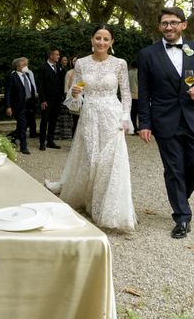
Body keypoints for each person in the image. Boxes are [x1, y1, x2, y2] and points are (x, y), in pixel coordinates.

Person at [45, 25, 137, 231]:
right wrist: (76, 93)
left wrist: (125, 118)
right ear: (92, 40)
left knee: (110, 161)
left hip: (112, 116)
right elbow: (74, 95)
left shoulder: (119, 64)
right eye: (98, 38)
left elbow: (126, 94)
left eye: (106, 39)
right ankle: (89, 200)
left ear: (112, 42)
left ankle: (108, 208)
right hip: (89, 116)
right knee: (90, 158)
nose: (101, 42)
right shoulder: (82, 64)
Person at [137, 7, 194, 239]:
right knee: (174, 169)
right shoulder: (147, 54)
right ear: (159, 27)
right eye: (164, 23)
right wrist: (145, 123)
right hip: (165, 120)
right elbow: (144, 92)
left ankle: (180, 197)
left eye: (173, 22)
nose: (169, 27)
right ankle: (182, 216)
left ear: (183, 25)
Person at [5, 57, 36, 154]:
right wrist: (8, 106)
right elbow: (8, 93)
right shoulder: (12, 76)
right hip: (18, 105)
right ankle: (24, 146)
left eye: (26, 64)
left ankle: (11, 137)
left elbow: (31, 88)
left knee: (26, 124)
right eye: (24, 65)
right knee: (22, 125)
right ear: (18, 67)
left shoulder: (26, 75)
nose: (26, 67)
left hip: (29, 104)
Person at [36, 47, 65, 150]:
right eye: (57, 55)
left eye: (58, 55)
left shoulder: (59, 67)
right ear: (50, 56)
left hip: (57, 99)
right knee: (44, 120)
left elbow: (61, 82)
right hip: (47, 99)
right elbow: (40, 85)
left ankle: (50, 141)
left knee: (53, 120)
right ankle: (42, 142)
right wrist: (42, 100)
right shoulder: (43, 67)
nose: (59, 56)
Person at [63, 55, 81, 134]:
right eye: (74, 61)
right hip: (74, 98)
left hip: (85, 99)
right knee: (75, 120)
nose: (75, 63)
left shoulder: (86, 72)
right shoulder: (69, 73)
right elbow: (67, 87)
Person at [128, 60, 139, 134]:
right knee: (140, 113)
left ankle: (134, 128)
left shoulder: (128, 72)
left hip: (130, 95)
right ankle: (141, 128)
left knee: (133, 113)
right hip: (138, 95)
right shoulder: (139, 72)